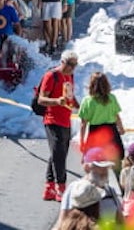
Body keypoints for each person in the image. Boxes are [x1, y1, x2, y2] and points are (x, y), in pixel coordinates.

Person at [38, 50, 79, 201]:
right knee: (58, 154)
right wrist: (56, 102)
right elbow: (41, 100)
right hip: (52, 119)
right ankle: (61, 187)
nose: (72, 68)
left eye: (75, 65)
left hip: (65, 119)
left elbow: (70, 95)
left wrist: (78, 106)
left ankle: (49, 188)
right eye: (70, 65)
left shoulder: (70, 76)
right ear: (62, 62)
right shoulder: (52, 76)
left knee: (58, 154)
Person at [55, 148, 123, 228]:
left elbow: (121, 220)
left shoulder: (110, 191)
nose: (104, 171)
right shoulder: (76, 190)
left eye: (106, 167)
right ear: (87, 167)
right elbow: (62, 220)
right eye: (100, 167)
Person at [78, 72, 125, 172]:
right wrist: (121, 128)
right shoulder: (112, 98)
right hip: (111, 131)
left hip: (95, 133)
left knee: (95, 162)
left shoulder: (87, 101)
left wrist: (82, 141)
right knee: (115, 161)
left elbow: (83, 124)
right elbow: (117, 116)